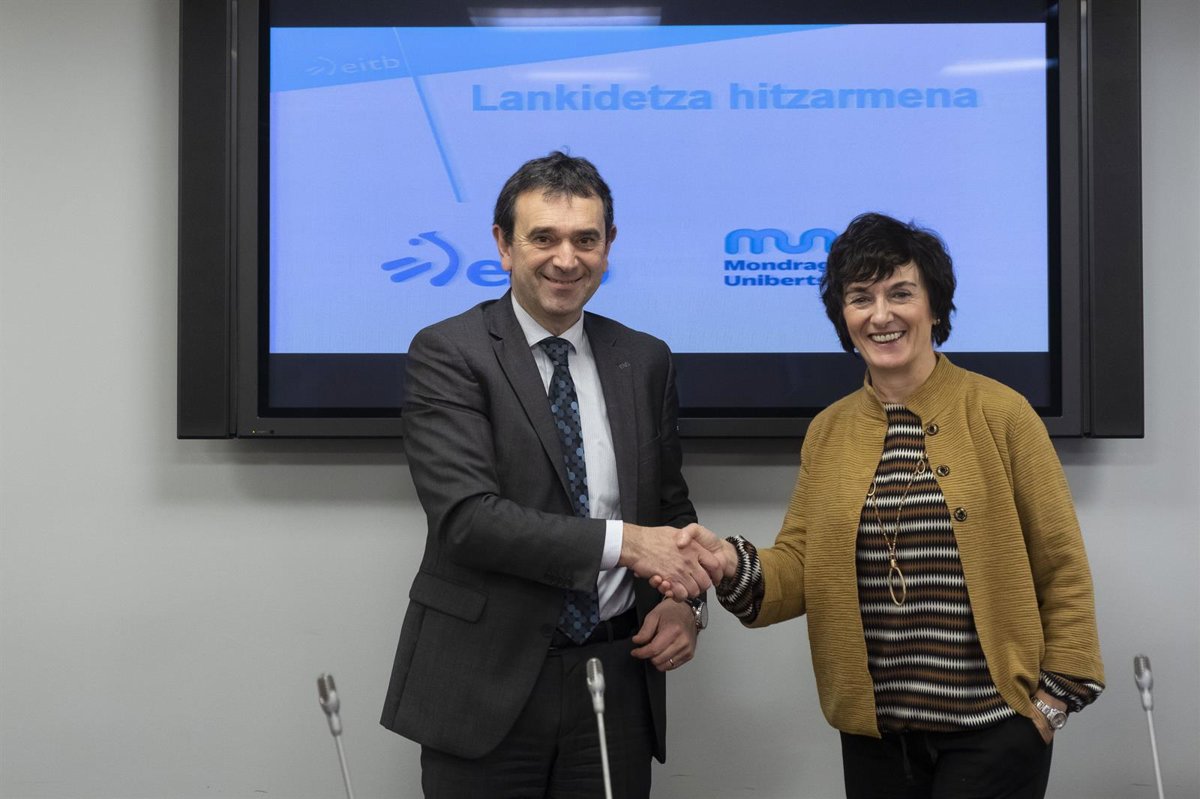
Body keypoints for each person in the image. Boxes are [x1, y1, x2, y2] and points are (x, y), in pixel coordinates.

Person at [663, 212, 1105, 798]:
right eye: (860, 298)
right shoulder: (828, 431)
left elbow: (1061, 563)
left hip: (995, 733)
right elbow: (802, 566)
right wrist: (728, 562)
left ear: (935, 307)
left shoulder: (1002, 414)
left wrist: (1052, 704)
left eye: (900, 293)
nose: (880, 315)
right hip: (876, 740)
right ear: (843, 319)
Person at [380, 151, 716, 799]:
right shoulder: (448, 352)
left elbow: (670, 509)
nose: (567, 259)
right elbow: (468, 520)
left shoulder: (645, 359)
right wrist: (627, 543)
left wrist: (685, 602)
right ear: (503, 245)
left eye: (585, 239)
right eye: (544, 238)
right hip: (485, 681)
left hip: (615, 675)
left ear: (608, 245)